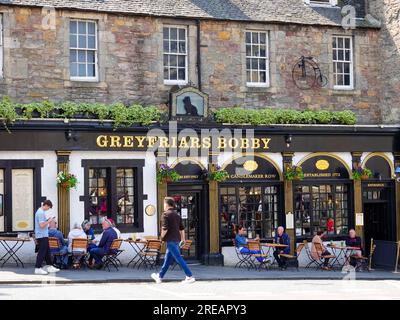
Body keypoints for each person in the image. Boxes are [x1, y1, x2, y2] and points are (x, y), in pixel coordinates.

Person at [151, 197, 195, 284]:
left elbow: (165, 228)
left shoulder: (165, 215)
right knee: (167, 260)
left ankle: (189, 276)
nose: (163, 205)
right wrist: (183, 239)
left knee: (178, 258)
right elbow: (182, 228)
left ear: (167, 204)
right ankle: (160, 276)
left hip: (170, 240)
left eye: (164, 204)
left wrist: (161, 238)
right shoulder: (177, 215)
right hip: (176, 240)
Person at [34, 200, 60, 275]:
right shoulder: (41, 213)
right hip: (42, 235)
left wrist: (47, 220)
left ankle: (50, 266)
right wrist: (49, 220)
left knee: (47, 252)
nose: (48, 209)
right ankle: (37, 268)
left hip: (42, 235)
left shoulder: (40, 212)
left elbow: (41, 224)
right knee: (42, 252)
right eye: (48, 208)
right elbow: (42, 225)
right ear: (46, 205)